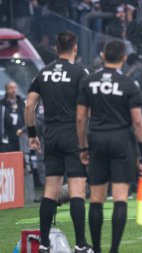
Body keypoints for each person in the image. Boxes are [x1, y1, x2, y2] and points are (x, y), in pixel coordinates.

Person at [76, 40, 142, 252]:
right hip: (121, 141)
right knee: (120, 198)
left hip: (97, 139)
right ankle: (114, 250)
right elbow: (138, 122)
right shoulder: (129, 84)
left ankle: (96, 249)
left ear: (103, 55)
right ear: (124, 58)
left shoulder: (89, 81)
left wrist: (83, 147)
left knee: (96, 198)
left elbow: (81, 119)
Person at [24, 31, 93, 253]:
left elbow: (29, 105)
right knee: (76, 190)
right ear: (75, 49)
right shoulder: (80, 72)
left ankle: (43, 243)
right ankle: (81, 244)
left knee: (50, 190)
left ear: (56, 48)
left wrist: (32, 134)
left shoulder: (43, 73)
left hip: (51, 135)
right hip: (73, 135)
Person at [0, 81, 25, 152]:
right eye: (11, 88)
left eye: (15, 88)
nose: (14, 90)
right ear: (7, 90)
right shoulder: (2, 104)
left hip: (21, 138)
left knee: (22, 160)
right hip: (7, 140)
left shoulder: (21, 103)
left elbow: (26, 118)